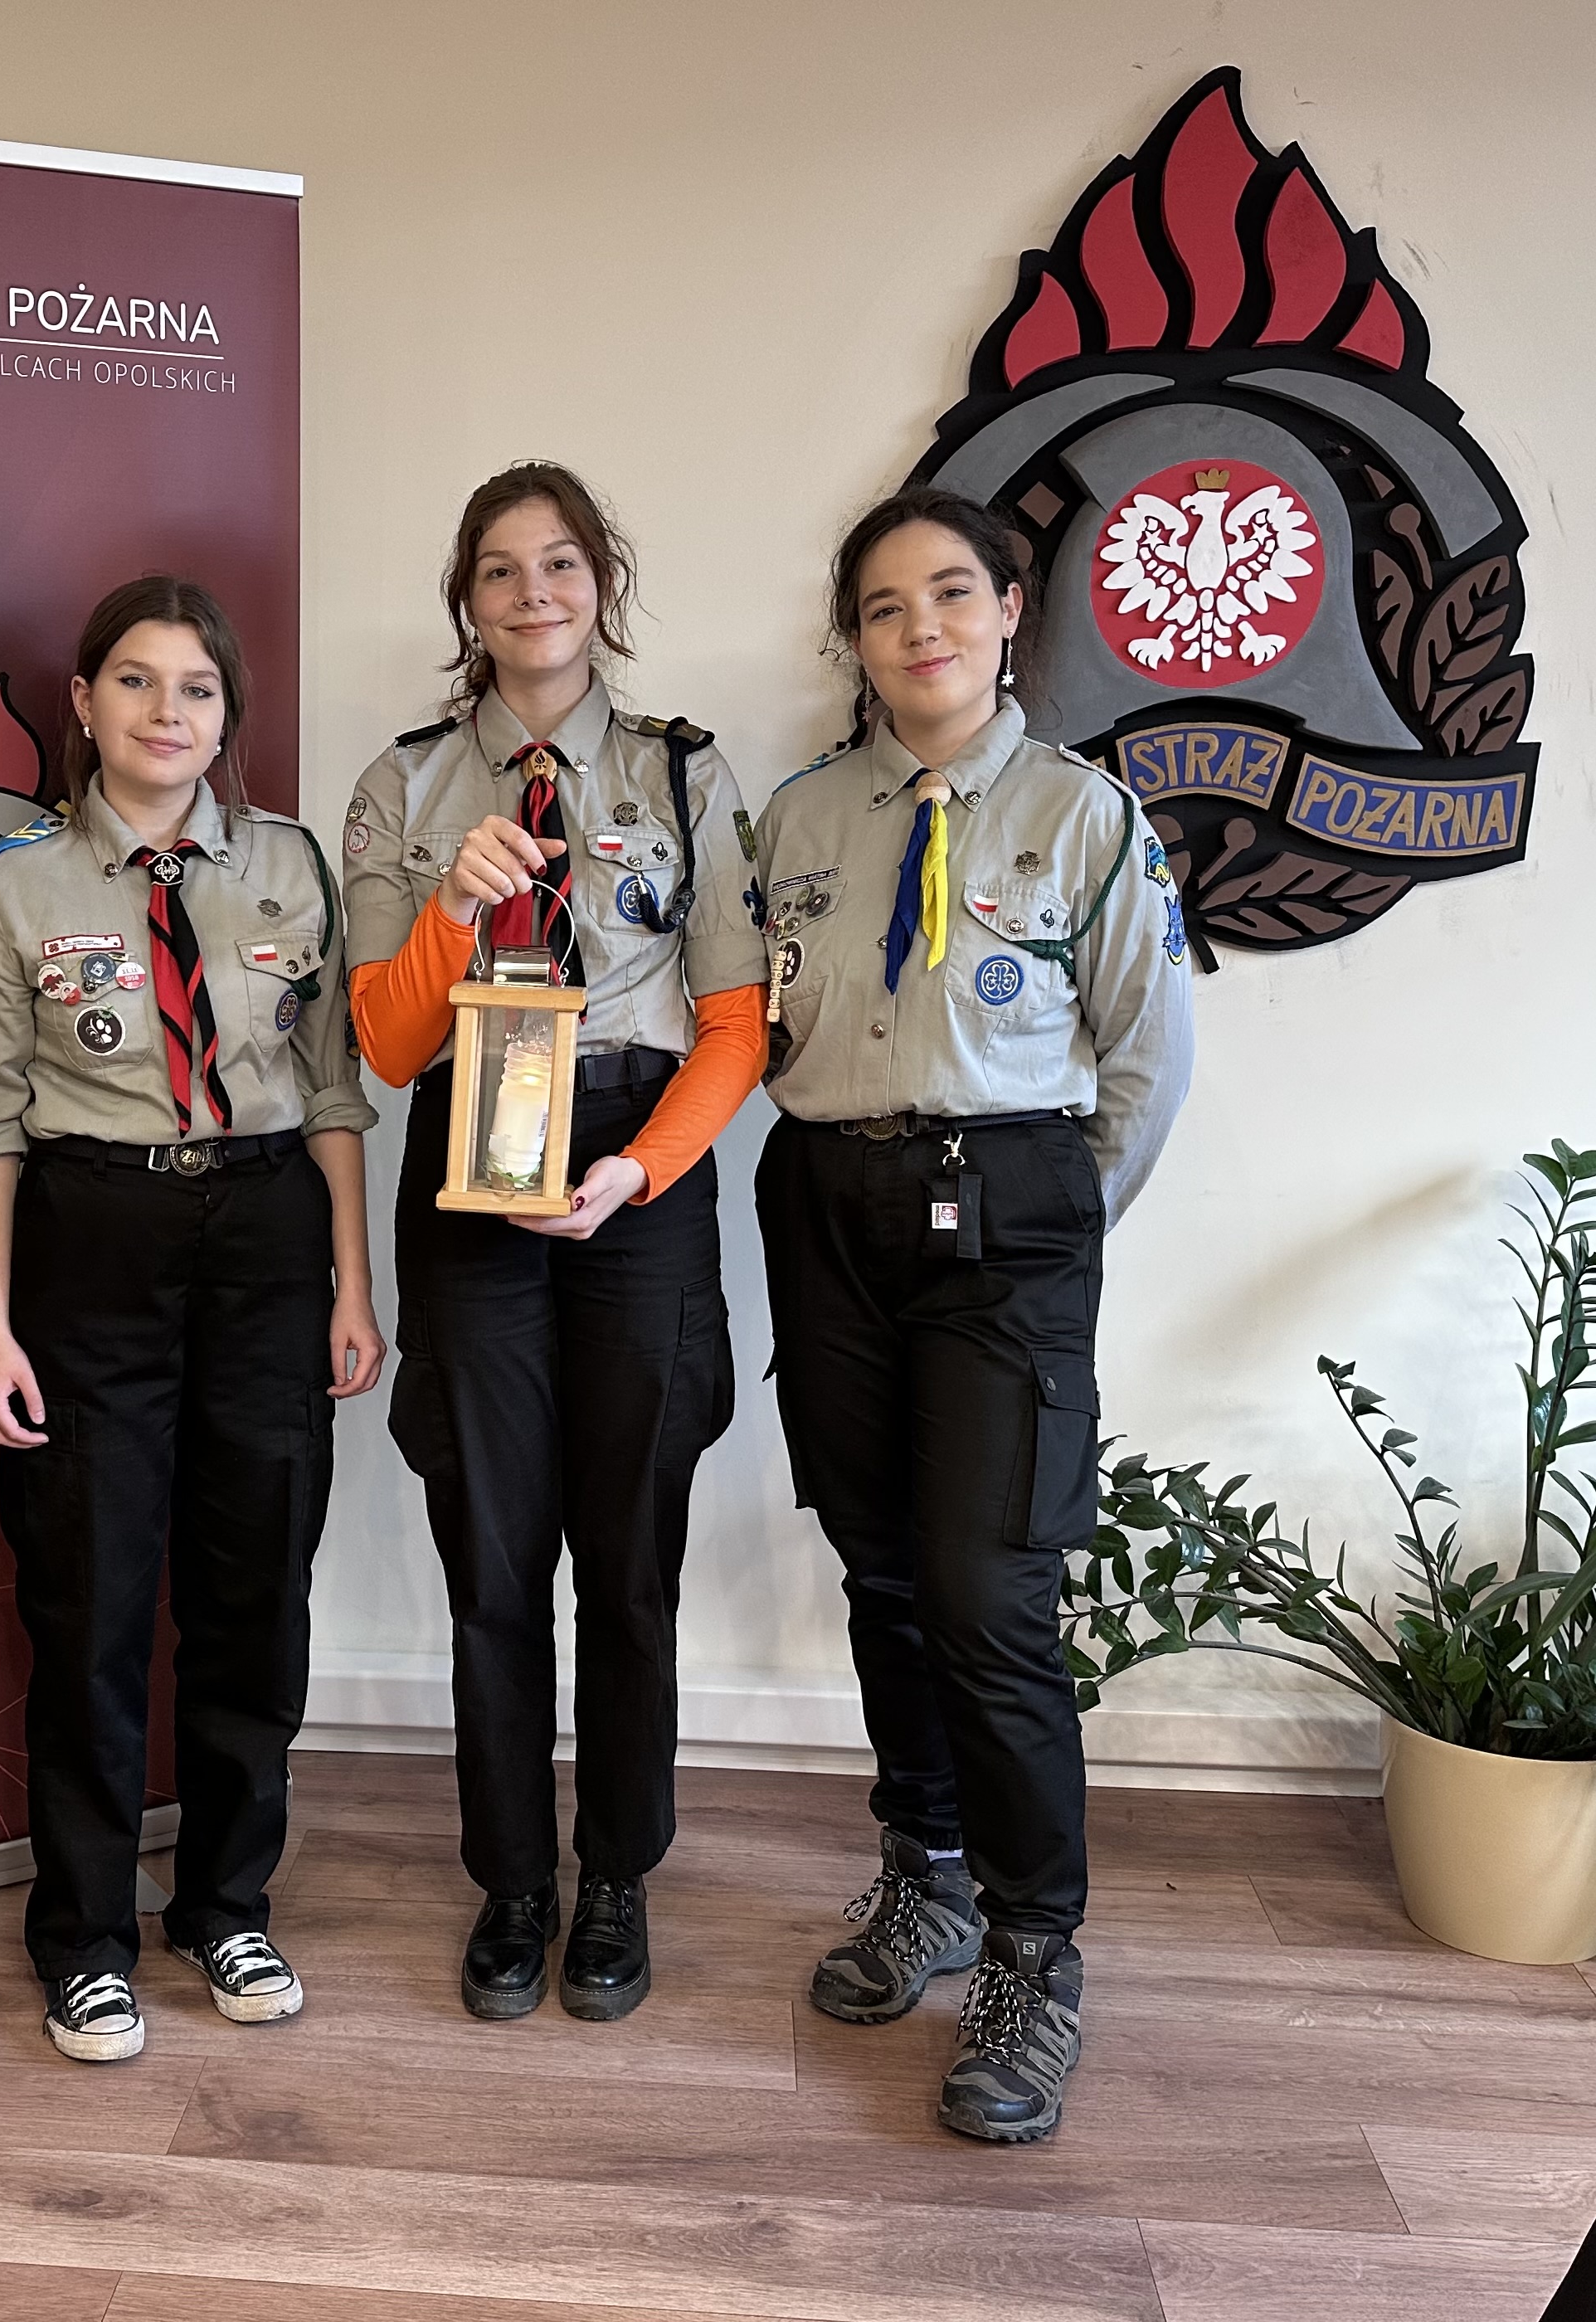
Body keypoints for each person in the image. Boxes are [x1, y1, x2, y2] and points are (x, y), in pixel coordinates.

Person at [752, 485, 1194, 2143]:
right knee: (882, 1568)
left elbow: (1146, 1058)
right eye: (883, 606)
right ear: (854, 640)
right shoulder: (799, 816)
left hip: (1006, 1217)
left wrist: (1052, 1227)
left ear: (1010, 609)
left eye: (950, 592)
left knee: (988, 1593)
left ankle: (1032, 1950)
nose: (918, 627)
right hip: (828, 1206)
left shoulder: (1084, 814)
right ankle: (923, 1874)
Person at [0, 576, 382, 2065]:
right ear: (83, 701)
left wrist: (351, 1285)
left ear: (226, 713)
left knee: (256, 1595)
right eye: (134, 681)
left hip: (265, 1241)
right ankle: (82, 1937)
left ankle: (226, 1901)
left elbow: (331, 1090)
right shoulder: (16, 887)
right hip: (93, 1242)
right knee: (91, 1603)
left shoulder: (289, 865)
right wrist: (0, 1329)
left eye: (196, 688)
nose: (165, 713)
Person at [343, 462, 767, 2024]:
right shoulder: (401, 786)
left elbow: (735, 1023)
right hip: (471, 1162)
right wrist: (450, 912)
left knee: (631, 1560)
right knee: (493, 1556)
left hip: (631, 1175)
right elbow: (386, 1047)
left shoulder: (681, 772)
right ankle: (514, 1880)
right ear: (465, 602)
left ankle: (619, 1876)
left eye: (562, 565)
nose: (533, 594)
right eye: (500, 571)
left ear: (603, 584)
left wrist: (636, 1173)